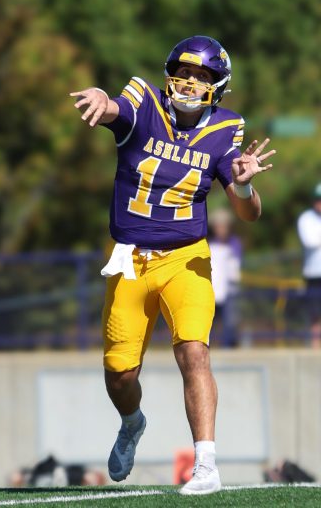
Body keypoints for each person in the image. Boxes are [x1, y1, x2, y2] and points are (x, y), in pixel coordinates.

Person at [70, 35, 276, 495]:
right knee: (120, 374)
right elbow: (113, 110)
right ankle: (132, 423)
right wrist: (102, 101)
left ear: (218, 86)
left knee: (194, 350)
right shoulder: (144, 103)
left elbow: (249, 214)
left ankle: (206, 464)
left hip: (187, 257)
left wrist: (243, 187)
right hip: (129, 258)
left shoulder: (226, 129)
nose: (189, 82)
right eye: (183, 72)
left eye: (201, 76)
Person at [208, 208, 242, 347]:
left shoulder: (234, 244)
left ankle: (228, 346)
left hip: (229, 290)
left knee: (230, 322)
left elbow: (235, 268)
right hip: (212, 289)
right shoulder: (209, 243)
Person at [297, 183, 321, 348]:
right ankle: (316, 346)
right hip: (314, 274)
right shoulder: (306, 218)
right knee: (315, 314)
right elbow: (310, 241)